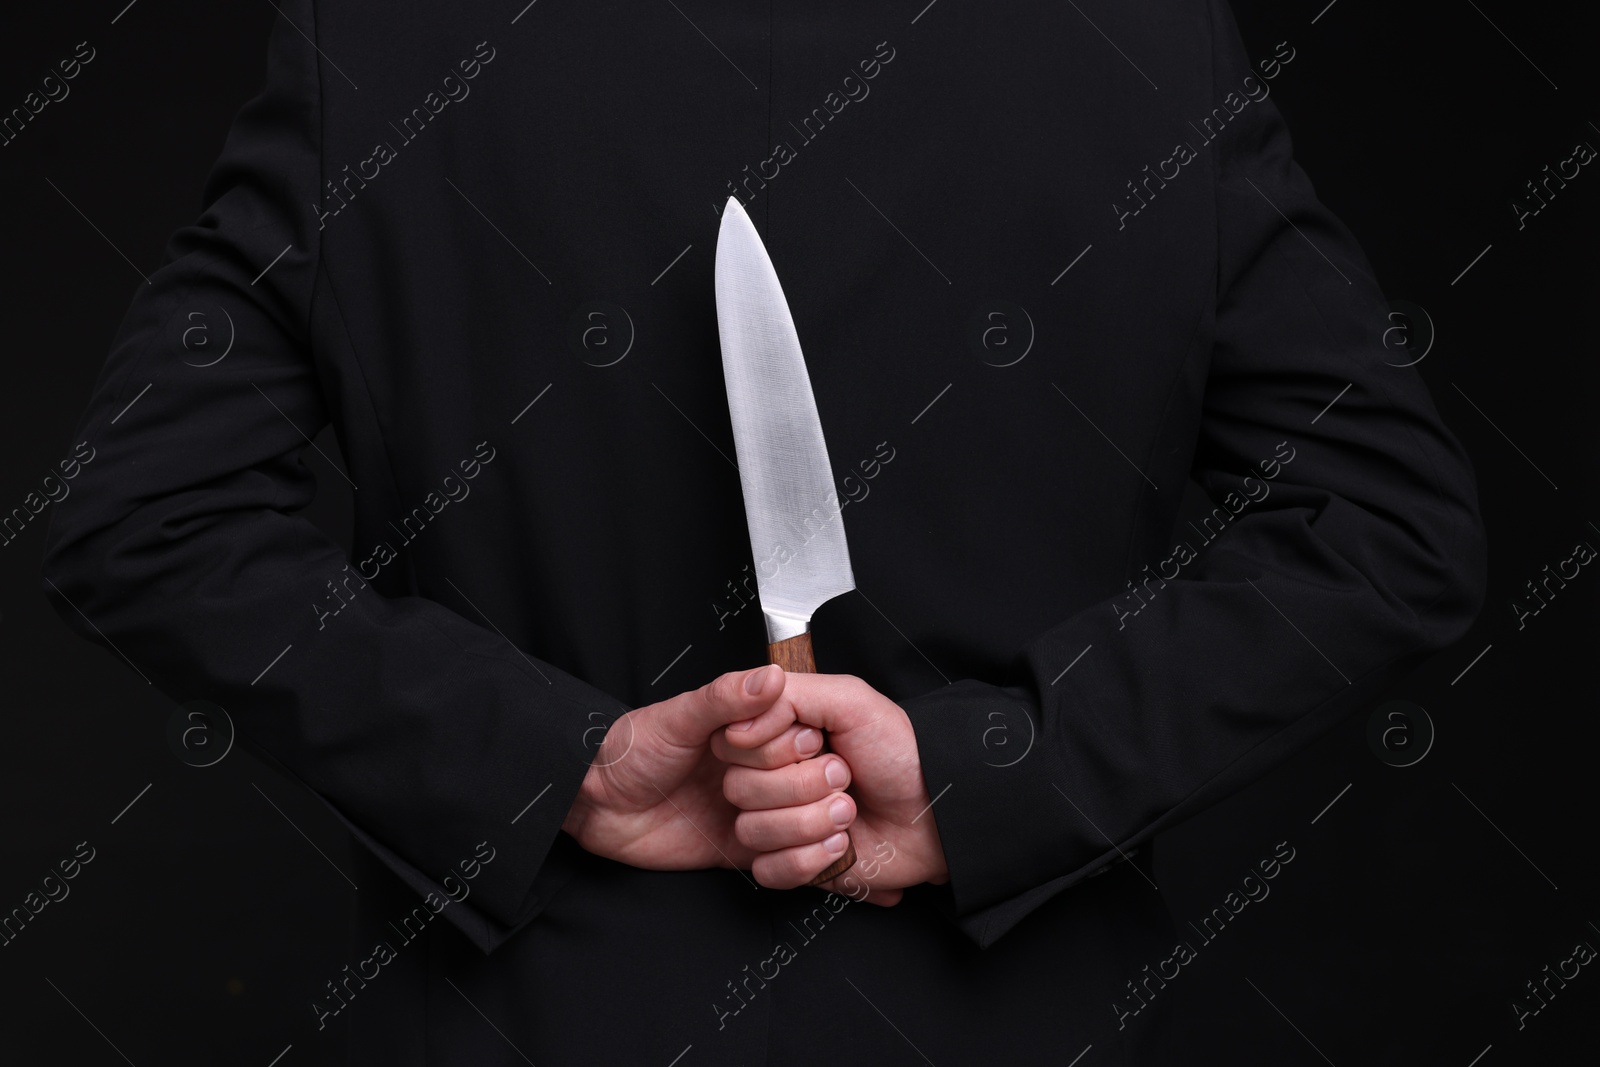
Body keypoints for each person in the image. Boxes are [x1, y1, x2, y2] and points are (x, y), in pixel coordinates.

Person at [40, 1, 1486, 1062]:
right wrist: (1002, 776)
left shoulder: (385, 45)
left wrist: (558, 767)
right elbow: (1384, 529)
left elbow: (143, 511)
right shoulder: (1142, 44)